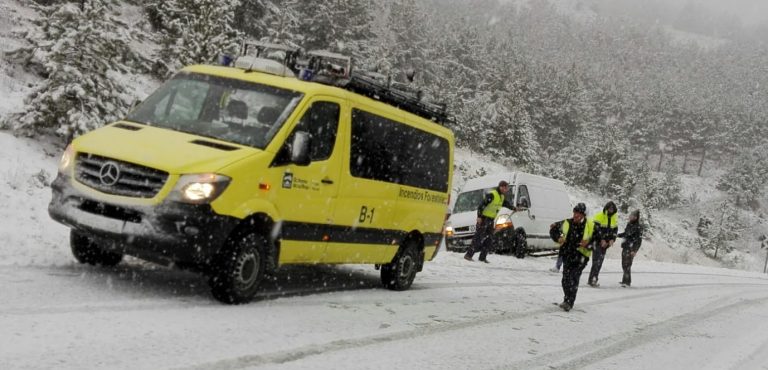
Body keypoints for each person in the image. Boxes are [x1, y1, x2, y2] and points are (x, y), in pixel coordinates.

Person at [464, 180, 515, 263]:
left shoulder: (501, 197)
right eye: (506, 188)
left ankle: (482, 258)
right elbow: (481, 205)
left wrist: (514, 208)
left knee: (489, 239)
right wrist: (479, 217)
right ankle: (468, 255)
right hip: (484, 219)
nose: (507, 189)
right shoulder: (492, 194)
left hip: (491, 220)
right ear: (501, 187)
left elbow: (506, 204)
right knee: (478, 238)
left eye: (507, 188)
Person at [557, 203, 594, 312]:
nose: (576, 215)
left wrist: (587, 244)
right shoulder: (567, 222)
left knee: (573, 279)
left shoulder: (590, 225)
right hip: (568, 254)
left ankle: (569, 302)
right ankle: (566, 299)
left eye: (578, 213)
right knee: (565, 280)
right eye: (575, 212)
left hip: (581, 256)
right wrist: (558, 237)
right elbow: (553, 229)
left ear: (583, 215)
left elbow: (597, 241)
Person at [587, 201, 618, 287]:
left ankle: (592, 279)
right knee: (596, 261)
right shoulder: (599, 215)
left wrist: (612, 239)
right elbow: (596, 229)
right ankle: (593, 279)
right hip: (597, 242)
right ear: (606, 208)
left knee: (599, 262)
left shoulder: (614, 218)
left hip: (606, 244)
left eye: (612, 209)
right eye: (609, 208)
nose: (611, 210)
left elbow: (615, 230)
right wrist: (602, 239)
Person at [618, 210, 643, 287]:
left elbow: (639, 240)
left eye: (631, 216)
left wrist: (634, 250)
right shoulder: (629, 224)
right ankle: (625, 280)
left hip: (631, 248)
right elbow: (626, 233)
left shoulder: (638, 227)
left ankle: (627, 282)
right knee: (624, 264)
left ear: (635, 217)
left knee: (627, 264)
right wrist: (618, 235)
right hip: (626, 246)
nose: (629, 217)